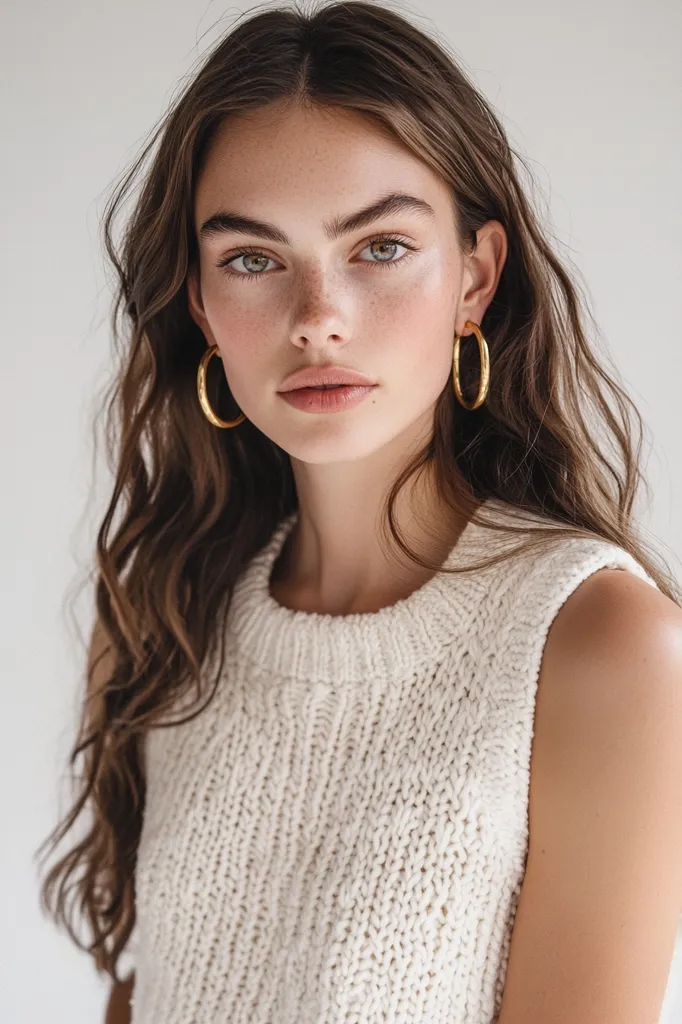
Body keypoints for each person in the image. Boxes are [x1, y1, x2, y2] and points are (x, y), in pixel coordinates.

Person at [37, 2, 682, 1023]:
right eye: (252, 258)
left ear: (475, 276)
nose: (317, 317)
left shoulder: (596, 641)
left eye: (378, 247)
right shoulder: (171, 616)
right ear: (201, 306)